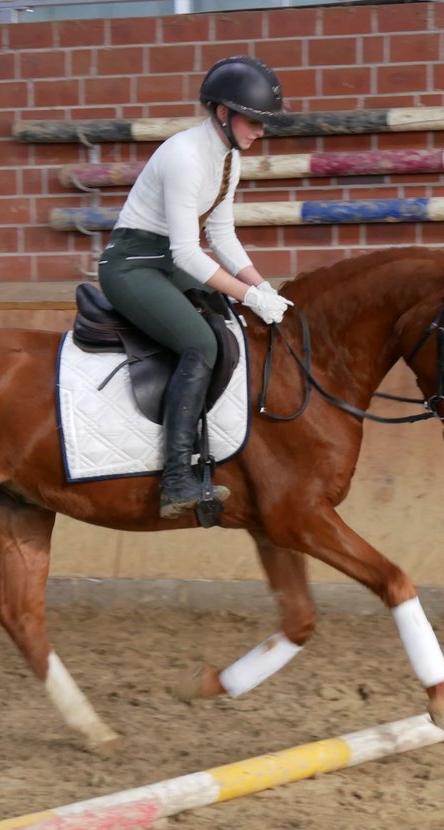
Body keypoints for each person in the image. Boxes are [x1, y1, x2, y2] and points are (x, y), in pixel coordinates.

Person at [97, 56, 295, 519]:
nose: (261, 132)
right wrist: (249, 294)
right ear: (223, 114)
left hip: (166, 261)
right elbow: (190, 253)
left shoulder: (228, 161)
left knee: (233, 322)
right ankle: (176, 478)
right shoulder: (185, 156)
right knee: (200, 342)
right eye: (254, 120)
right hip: (132, 265)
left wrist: (264, 288)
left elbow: (222, 237)